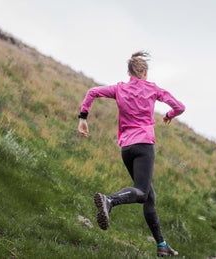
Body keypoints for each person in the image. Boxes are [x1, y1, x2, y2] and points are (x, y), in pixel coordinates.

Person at [77, 51, 185, 257]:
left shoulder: (119, 89)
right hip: (144, 144)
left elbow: (92, 92)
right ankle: (109, 200)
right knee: (142, 193)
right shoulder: (153, 89)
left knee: (149, 196)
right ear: (144, 72)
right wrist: (169, 115)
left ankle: (162, 245)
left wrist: (83, 118)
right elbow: (179, 107)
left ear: (129, 72)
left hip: (126, 148)